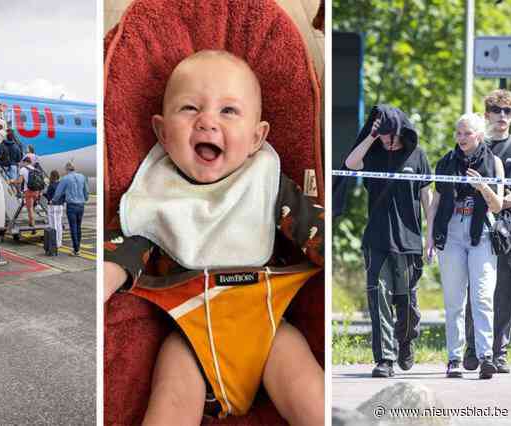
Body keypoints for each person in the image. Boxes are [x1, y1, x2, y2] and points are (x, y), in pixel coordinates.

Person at [103, 50, 324, 425]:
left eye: (228, 111)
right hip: (191, 333)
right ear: (161, 131)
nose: (207, 122)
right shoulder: (157, 197)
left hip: (268, 326)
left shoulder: (266, 183)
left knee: (311, 395)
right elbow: (125, 248)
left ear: (257, 137)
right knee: (170, 399)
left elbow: (312, 229)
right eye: (189, 108)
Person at [344, 105, 432, 378]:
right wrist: (371, 137)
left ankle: (406, 340)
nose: (386, 140)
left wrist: (430, 236)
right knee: (379, 297)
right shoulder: (372, 152)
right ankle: (385, 359)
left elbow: (428, 196)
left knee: (406, 302)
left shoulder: (417, 155)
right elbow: (350, 164)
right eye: (382, 134)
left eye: (389, 134)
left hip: (409, 241)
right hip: (377, 239)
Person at [427, 113, 504, 380]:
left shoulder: (493, 163)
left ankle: (486, 356)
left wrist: (482, 186)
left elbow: (497, 205)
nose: (461, 138)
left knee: (482, 296)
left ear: (479, 135)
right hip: (451, 233)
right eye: (458, 133)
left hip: (481, 231)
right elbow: (435, 203)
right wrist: (429, 240)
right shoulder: (446, 162)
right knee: (454, 300)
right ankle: (454, 358)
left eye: (467, 133)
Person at [464, 90, 511, 374]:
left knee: (505, 291)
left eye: (508, 111)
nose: (503, 117)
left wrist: (501, 199)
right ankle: (473, 348)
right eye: (497, 110)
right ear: (487, 114)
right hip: (475, 225)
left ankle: (499, 352)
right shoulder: (473, 146)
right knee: (476, 288)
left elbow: (504, 198)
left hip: (509, 226)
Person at [52, 162, 88, 256]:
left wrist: (53, 200)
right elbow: (86, 191)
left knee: (73, 227)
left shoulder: (65, 178)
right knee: (78, 227)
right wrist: (85, 199)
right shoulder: (82, 177)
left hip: (71, 206)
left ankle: (76, 250)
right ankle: (78, 247)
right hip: (81, 205)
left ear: (67, 169)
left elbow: (58, 193)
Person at [12, 156, 44, 228]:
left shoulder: (23, 169)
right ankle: (32, 223)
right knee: (32, 208)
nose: (22, 164)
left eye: (23, 162)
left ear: (25, 162)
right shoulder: (35, 169)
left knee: (30, 209)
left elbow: (19, 181)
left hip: (28, 191)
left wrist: (12, 181)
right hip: (37, 191)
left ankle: (32, 226)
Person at [44, 170, 64, 250]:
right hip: (60, 206)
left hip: (53, 206)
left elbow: (49, 196)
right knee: (59, 224)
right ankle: (59, 242)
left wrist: (43, 194)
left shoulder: (51, 185)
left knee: (53, 224)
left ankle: (54, 242)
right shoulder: (61, 184)